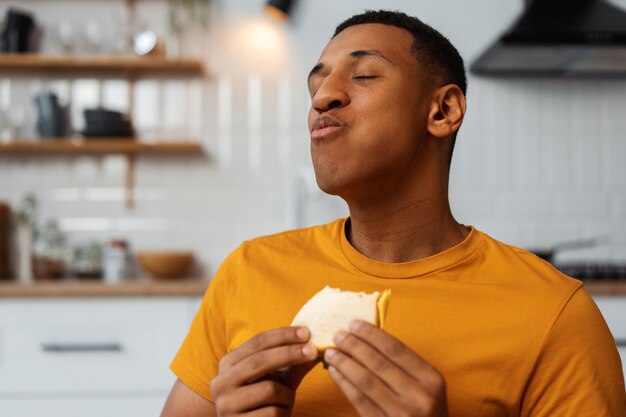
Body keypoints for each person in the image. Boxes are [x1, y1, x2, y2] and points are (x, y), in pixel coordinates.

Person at [161, 10, 626, 417]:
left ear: (443, 111)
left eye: (363, 76)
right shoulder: (249, 271)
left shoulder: (556, 316)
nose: (323, 96)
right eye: (316, 83)